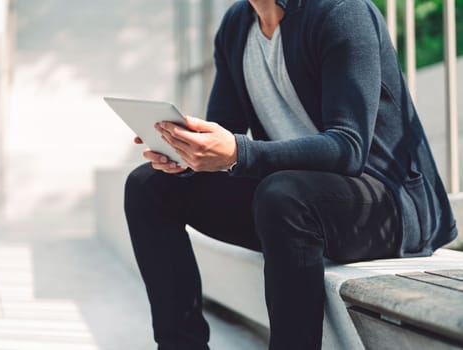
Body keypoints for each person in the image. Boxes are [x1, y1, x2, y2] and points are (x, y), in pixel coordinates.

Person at [124, 0, 457, 349]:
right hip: (291, 203)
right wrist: (186, 153)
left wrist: (238, 152)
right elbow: (226, 132)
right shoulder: (237, 26)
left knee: (282, 194)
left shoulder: (342, 12)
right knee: (149, 185)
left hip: (386, 204)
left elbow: (349, 147)